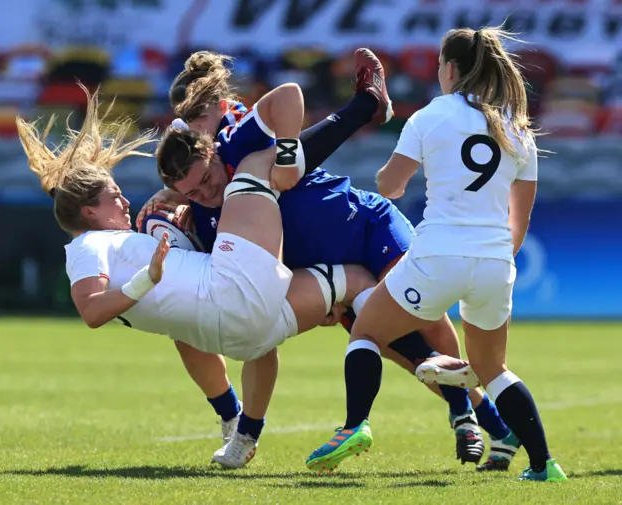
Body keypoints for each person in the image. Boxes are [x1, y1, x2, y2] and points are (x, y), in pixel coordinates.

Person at [141, 48, 520, 469]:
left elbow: (287, 97)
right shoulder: (201, 200)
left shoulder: (236, 138)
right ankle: (494, 425)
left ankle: (466, 415)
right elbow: (259, 252)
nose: (204, 192)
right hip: (332, 264)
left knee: (426, 317)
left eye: (197, 116)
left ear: (218, 105)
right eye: (183, 120)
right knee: (407, 353)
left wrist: (285, 152)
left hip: (365, 223)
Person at [15, 85, 377, 469]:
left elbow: (178, 283)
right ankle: (356, 113)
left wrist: (180, 217)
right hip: (236, 291)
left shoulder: (129, 240)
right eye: (114, 195)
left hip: (242, 332)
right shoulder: (89, 245)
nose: (124, 201)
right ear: (89, 212)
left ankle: (242, 430)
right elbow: (91, 311)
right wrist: (148, 276)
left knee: (353, 280)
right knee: (254, 165)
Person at [306, 27, 567, 482]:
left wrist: (392, 171)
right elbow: (518, 223)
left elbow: (390, 186)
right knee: (493, 369)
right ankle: (545, 465)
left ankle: (354, 426)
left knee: (365, 333)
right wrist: (495, 261)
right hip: (493, 262)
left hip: (438, 256)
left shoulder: (430, 116)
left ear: (449, 69)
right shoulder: (516, 128)